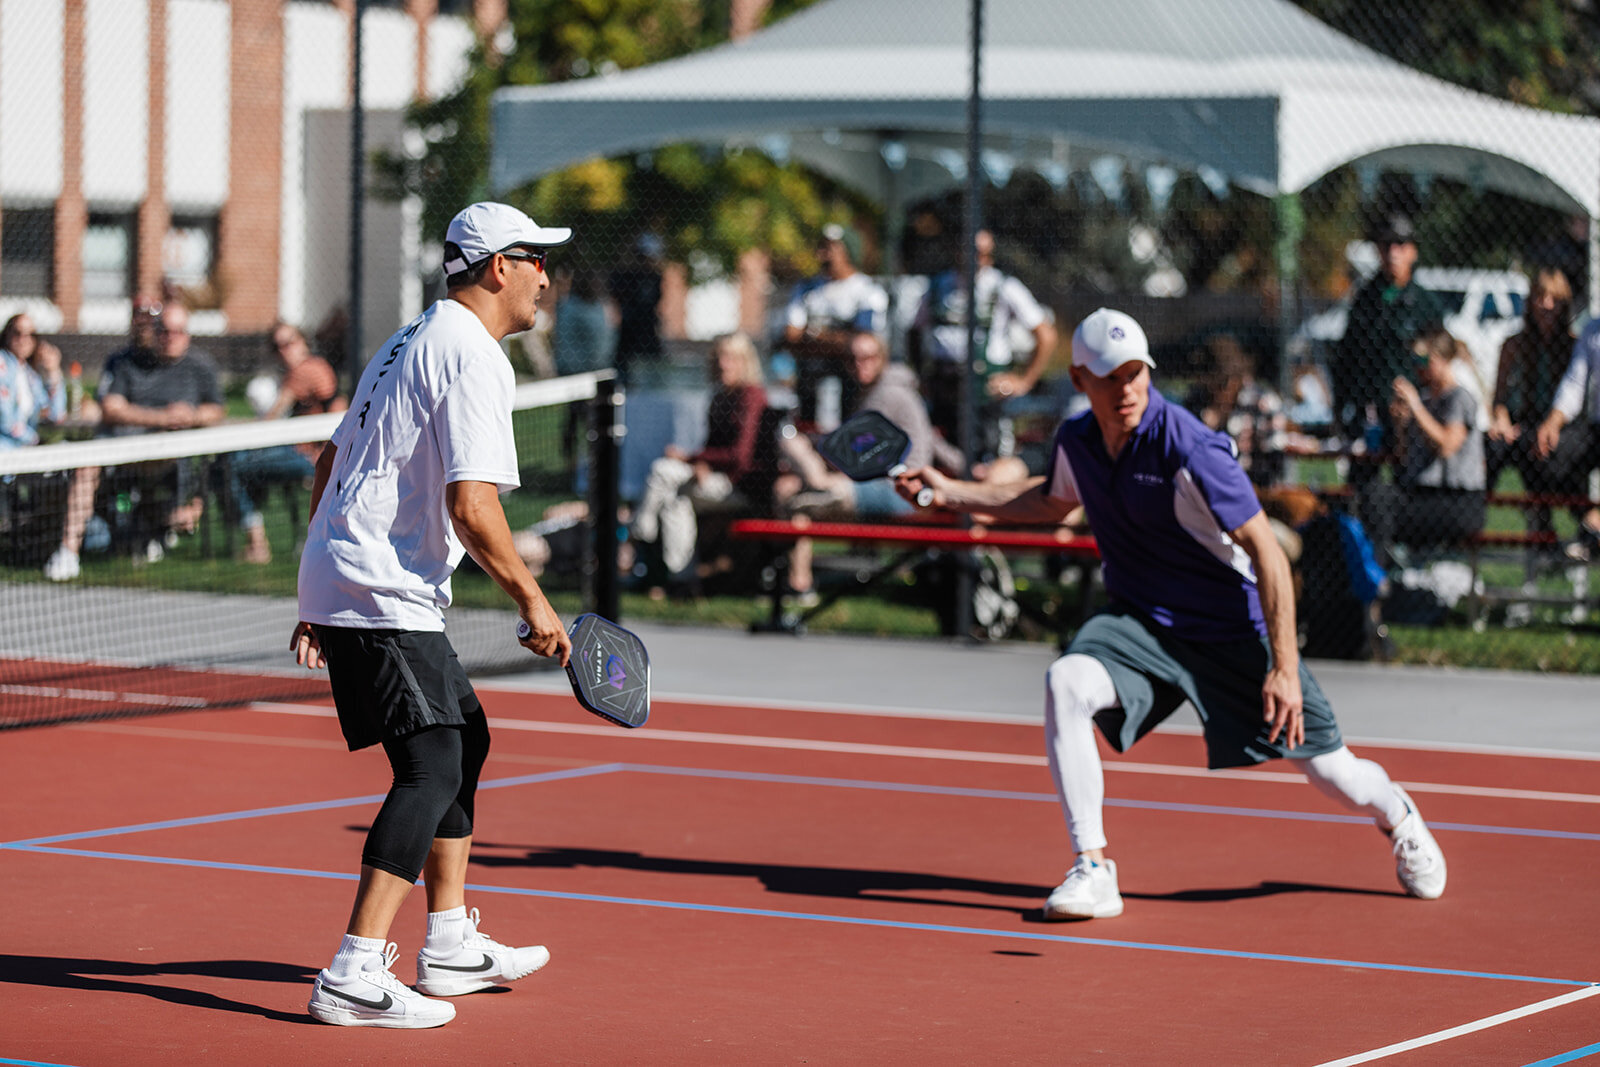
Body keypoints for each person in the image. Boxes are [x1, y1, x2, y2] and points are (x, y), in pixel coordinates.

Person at [893, 307, 1447, 921]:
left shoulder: (1190, 446)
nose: (1127, 388)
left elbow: (1267, 550)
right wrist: (948, 492)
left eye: (1136, 373)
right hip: (1143, 627)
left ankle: (1399, 815)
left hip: (1233, 631)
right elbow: (1052, 499)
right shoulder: (1078, 441)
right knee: (1066, 681)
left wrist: (1285, 667)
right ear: (1081, 380)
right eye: (1111, 376)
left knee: (1333, 773)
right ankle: (1093, 867)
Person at [290, 200, 574, 1029]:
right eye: (534, 260)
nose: (544, 277)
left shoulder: (409, 337)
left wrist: (316, 591)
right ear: (497, 267)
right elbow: (473, 506)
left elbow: (333, 460)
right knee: (432, 766)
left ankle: (447, 943)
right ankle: (352, 969)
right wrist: (534, 598)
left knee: (466, 736)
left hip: (357, 578)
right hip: (381, 587)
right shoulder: (474, 355)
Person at [774, 331, 968, 597]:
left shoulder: (887, 394)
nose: (859, 364)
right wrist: (962, 463)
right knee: (790, 491)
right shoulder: (881, 391)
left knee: (795, 481)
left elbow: (847, 453)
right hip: (880, 484)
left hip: (898, 489)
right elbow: (930, 439)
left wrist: (806, 447)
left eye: (868, 357)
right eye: (852, 358)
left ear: (882, 359)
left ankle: (799, 586)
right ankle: (799, 583)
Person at [44, 300, 223, 581]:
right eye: (163, 330)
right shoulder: (126, 361)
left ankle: (166, 523)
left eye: (177, 332)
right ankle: (68, 551)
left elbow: (216, 410)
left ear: (187, 334)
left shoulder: (201, 366)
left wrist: (190, 415)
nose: (169, 337)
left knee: (215, 462)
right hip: (120, 448)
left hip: (168, 456)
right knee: (85, 465)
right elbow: (112, 408)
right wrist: (162, 417)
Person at [630, 331, 768, 594]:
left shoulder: (751, 396)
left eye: (730, 358)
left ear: (744, 361)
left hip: (742, 485)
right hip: (716, 478)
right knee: (674, 498)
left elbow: (740, 456)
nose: (722, 364)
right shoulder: (719, 397)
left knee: (663, 470)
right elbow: (713, 448)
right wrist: (700, 465)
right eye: (718, 358)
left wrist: (690, 458)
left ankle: (640, 533)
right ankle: (682, 577)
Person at [911, 228, 1058, 463]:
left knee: (985, 462)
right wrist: (920, 375)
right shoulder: (938, 286)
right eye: (969, 251)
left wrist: (1024, 380)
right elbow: (915, 330)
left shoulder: (1003, 287)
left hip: (985, 397)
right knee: (941, 460)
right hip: (943, 393)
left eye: (982, 253)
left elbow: (1046, 335)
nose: (974, 259)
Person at [1359, 326, 1487, 567]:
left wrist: (1416, 408)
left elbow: (1447, 446)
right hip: (1425, 495)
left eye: (1424, 360)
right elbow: (1405, 460)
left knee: (1380, 501)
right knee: (1374, 495)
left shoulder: (1460, 398)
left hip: (1459, 502)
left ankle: (1381, 576)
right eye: (1414, 360)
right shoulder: (1427, 400)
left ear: (1442, 359)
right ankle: (1382, 573)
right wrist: (1400, 426)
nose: (1418, 367)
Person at [225, 321, 346, 563]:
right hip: (301, 453)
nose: (284, 350)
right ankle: (256, 540)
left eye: (289, 342)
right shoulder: (303, 371)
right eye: (277, 346)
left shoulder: (307, 370)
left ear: (303, 342)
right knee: (235, 460)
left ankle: (256, 544)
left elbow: (271, 420)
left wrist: (232, 425)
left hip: (312, 460)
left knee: (232, 465)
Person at [1331, 214, 1448, 464]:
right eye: (1386, 246)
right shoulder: (1364, 300)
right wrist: (1340, 407)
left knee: (1409, 481)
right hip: (1367, 410)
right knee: (1363, 483)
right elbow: (1345, 356)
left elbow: (1439, 362)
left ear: (1413, 252)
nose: (1393, 253)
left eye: (1401, 245)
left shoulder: (1426, 305)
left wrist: (1421, 403)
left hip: (1411, 411)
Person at [1487, 269, 1582, 537]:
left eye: (1555, 298)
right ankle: (1469, 520)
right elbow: (1499, 398)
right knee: (1494, 446)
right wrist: (1502, 420)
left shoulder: (1574, 346)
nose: (1547, 304)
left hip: (1559, 428)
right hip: (1523, 423)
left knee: (1540, 449)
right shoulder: (1514, 345)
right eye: (1540, 296)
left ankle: (1553, 526)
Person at [782, 223, 888, 427]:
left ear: (848, 250)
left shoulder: (867, 291)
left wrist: (813, 335)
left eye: (830, 248)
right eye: (821, 247)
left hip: (851, 383)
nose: (822, 255)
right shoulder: (807, 289)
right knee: (809, 432)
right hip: (809, 382)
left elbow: (862, 340)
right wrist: (836, 338)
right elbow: (791, 335)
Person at [0, 313, 65, 449]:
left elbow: (56, 414)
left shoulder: (29, 375)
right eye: (18, 333)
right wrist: (33, 439)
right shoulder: (3, 364)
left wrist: (53, 372)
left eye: (31, 335)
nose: (24, 339)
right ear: (7, 335)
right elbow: (5, 419)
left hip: (22, 447)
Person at [607, 233, 664, 385]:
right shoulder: (623, 276)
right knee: (625, 381)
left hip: (648, 338)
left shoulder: (654, 278)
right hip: (628, 338)